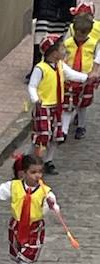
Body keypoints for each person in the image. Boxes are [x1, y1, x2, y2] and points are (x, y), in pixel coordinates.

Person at [28, 33, 90, 170]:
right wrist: (35, 98)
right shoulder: (40, 68)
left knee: (56, 135)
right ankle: (32, 160)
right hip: (43, 106)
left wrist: (86, 78)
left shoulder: (61, 66)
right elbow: (32, 86)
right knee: (42, 135)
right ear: (54, 53)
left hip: (57, 106)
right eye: (62, 48)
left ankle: (48, 160)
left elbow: (72, 74)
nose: (65, 51)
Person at [63, 4, 100, 138]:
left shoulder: (94, 43)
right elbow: (63, 57)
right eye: (78, 35)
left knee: (82, 105)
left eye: (82, 35)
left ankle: (81, 126)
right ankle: (64, 130)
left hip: (87, 76)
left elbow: (97, 57)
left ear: (89, 32)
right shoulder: (68, 43)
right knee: (68, 104)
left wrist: (96, 72)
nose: (79, 38)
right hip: (71, 77)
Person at [32, 0, 75, 73]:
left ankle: (55, 70)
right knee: (40, 41)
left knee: (57, 44)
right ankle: (37, 69)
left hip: (62, 13)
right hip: (46, 10)